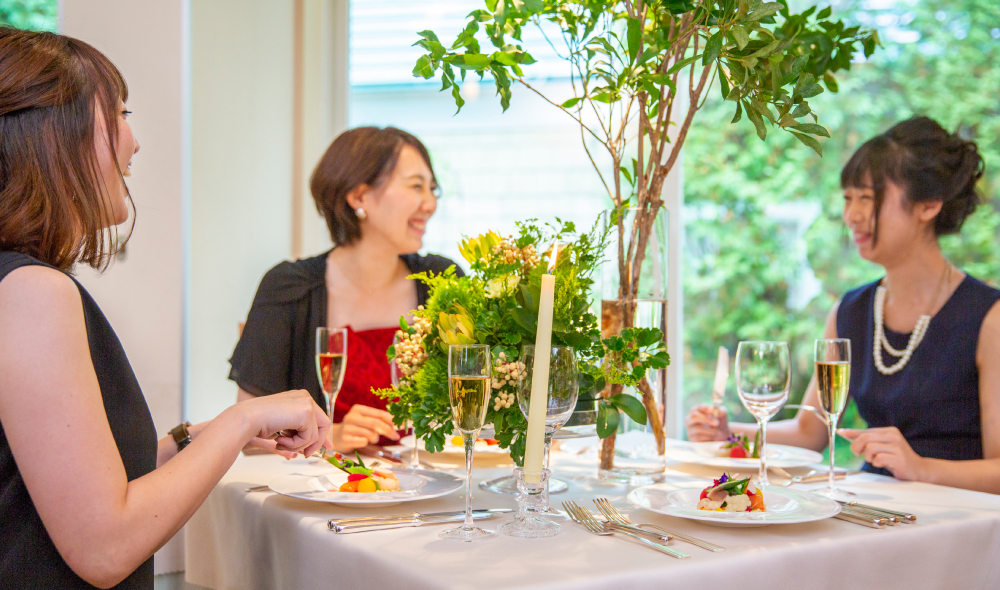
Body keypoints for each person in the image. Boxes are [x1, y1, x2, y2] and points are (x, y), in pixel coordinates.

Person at [0, 29, 331, 589]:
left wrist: (189, 440)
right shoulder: (32, 291)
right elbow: (105, 545)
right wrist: (241, 418)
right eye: (118, 113)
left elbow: (57, 491)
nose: (134, 142)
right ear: (54, 133)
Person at [686, 117, 1000, 494]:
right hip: (875, 512)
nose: (851, 216)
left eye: (867, 199)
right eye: (848, 199)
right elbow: (810, 432)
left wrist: (921, 469)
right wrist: (729, 433)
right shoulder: (851, 311)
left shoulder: (988, 318)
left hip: (961, 525)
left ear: (928, 205)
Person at [230, 126, 464, 454]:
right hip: (324, 496)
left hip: (429, 491)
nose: (429, 204)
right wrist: (330, 438)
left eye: (433, 189)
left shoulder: (441, 280)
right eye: (416, 186)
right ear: (358, 196)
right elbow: (249, 439)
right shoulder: (290, 288)